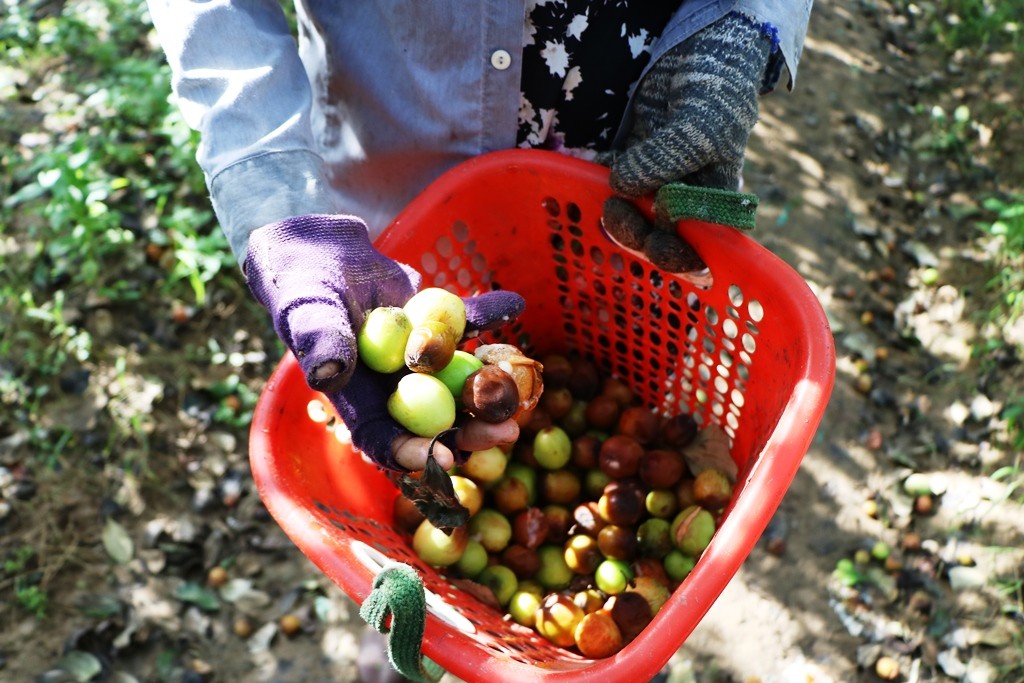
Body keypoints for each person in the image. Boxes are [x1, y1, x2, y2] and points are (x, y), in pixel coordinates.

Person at [146, 1, 813, 475]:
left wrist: (739, 22)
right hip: (404, 211)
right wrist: (278, 201)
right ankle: (409, 624)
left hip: (632, 190)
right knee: (409, 457)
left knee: (628, 390)